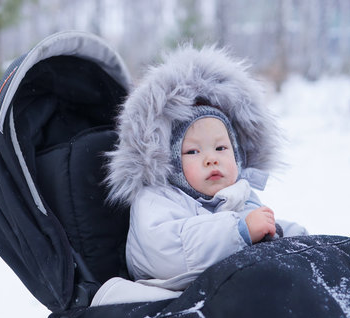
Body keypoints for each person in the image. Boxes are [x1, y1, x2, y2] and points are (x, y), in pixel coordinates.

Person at [103, 44, 307, 294]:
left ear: (238, 155)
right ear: (170, 161)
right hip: (178, 298)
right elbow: (164, 251)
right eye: (193, 151)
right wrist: (239, 231)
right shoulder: (157, 199)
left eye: (221, 148)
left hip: (234, 290)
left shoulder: (238, 193)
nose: (211, 159)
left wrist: (291, 236)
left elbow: (260, 231)